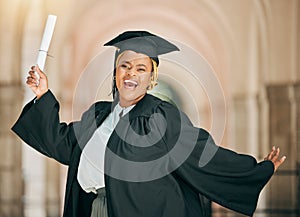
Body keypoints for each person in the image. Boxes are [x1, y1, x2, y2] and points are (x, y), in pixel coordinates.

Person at [12, 31, 286, 217]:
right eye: (124, 66)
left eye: (141, 69)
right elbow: (62, 144)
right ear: (116, 72)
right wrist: (43, 95)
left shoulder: (161, 116)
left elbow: (201, 154)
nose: (131, 73)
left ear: (151, 78)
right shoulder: (98, 115)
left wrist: (257, 170)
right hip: (94, 209)